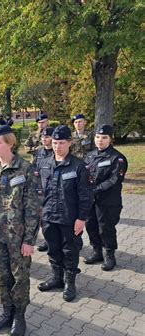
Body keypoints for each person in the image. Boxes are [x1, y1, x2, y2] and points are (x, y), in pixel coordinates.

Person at [0, 125, 42, 336]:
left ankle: (19, 317)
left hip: (17, 237)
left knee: (20, 277)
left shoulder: (26, 169)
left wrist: (29, 240)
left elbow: (33, 208)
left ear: (10, 143)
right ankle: (6, 313)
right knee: (3, 276)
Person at [37, 125, 93, 302]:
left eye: (61, 142)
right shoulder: (44, 164)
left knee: (70, 250)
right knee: (53, 249)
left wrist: (81, 218)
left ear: (70, 142)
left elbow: (86, 195)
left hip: (69, 218)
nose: (57, 146)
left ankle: (70, 283)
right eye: (54, 142)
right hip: (48, 217)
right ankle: (56, 278)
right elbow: (38, 190)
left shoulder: (78, 167)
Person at [84, 125, 128, 271]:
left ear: (111, 139)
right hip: (91, 200)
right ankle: (97, 252)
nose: (100, 140)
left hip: (108, 201)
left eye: (104, 138)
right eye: (97, 137)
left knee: (105, 228)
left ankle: (110, 255)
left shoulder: (118, 158)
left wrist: (95, 189)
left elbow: (114, 179)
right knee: (91, 225)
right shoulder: (90, 156)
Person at [33, 127, 55, 252]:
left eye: (47, 137)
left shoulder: (56, 152)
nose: (44, 139)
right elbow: (34, 169)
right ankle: (47, 241)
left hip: (53, 191)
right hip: (41, 191)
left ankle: (55, 242)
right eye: (42, 137)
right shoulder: (39, 152)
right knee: (43, 219)